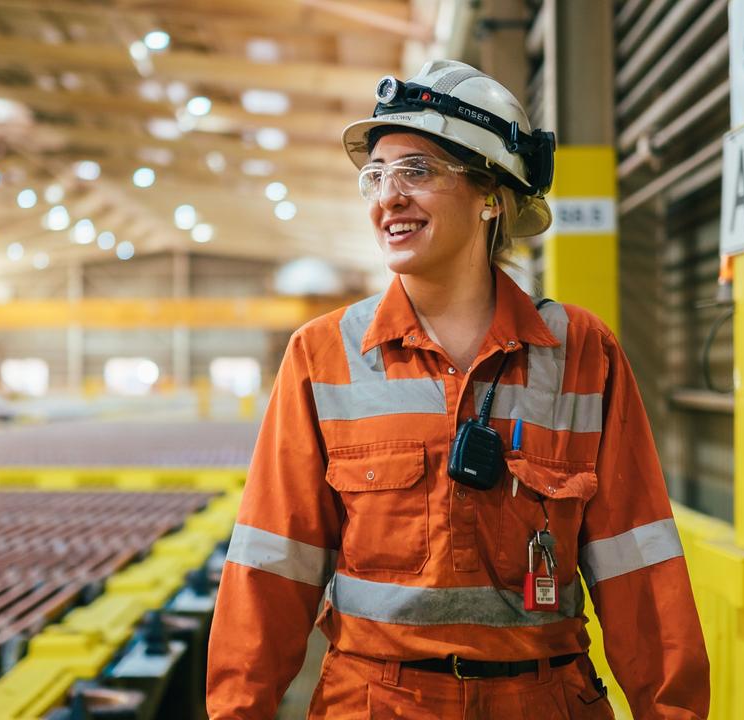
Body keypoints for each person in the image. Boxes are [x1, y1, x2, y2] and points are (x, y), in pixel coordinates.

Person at [206, 59, 708, 719]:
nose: (389, 196)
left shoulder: (582, 352)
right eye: (377, 175)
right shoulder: (324, 355)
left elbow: (637, 564)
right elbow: (273, 564)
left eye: (417, 171)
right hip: (378, 703)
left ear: (491, 196)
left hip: (545, 701)